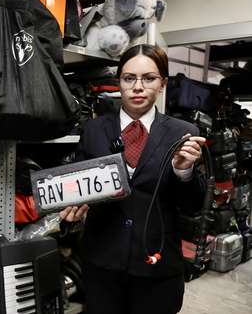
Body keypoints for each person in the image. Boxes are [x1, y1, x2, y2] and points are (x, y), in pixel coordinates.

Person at [60, 44, 206, 314]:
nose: (138, 87)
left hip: (157, 267)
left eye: (148, 78)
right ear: (119, 82)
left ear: (162, 83)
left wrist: (183, 171)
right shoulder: (93, 129)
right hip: (102, 264)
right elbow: (78, 186)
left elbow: (193, 206)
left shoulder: (183, 133)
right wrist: (74, 212)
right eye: (129, 78)